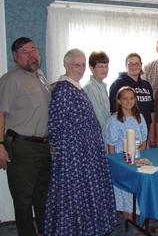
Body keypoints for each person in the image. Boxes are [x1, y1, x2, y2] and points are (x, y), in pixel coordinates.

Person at [45, 48, 117, 235]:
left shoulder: (74, 86)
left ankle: (89, 228)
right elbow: (55, 122)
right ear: (66, 65)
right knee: (75, 197)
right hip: (74, 154)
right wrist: (58, 146)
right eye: (77, 64)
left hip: (86, 152)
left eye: (83, 64)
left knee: (86, 195)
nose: (81, 68)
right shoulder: (64, 90)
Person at [0, 37, 52, 235]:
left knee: (42, 194)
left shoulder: (40, 76)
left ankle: (45, 230)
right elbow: (1, 114)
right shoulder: (10, 80)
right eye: (25, 52)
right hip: (22, 147)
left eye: (33, 49)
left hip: (43, 146)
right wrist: (0, 146)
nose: (31, 54)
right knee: (23, 199)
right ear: (15, 57)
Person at [106, 86, 147, 222]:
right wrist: (113, 163)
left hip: (137, 158)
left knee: (135, 187)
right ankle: (126, 214)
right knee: (124, 189)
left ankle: (135, 212)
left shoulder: (139, 117)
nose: (128, 101)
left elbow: (144, 139)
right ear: (119, 101)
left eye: (131, 98)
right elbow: (111, 143)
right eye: (125, 98)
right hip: (121, 160)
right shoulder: (114, 120)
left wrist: (143, 159)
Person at [109, 53, 155, 146]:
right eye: (130, 64)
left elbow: (152, 111)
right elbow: (114, 110)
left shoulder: (146, 85)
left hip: (143, 133)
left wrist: (152, 133)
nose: (134, 66)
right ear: (126, 66)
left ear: (141, 65)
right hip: (125, 135)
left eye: (137, 63)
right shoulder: (118, 84)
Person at [83, 51, 110, 148]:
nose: (104, 69)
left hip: (104, 135)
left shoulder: (103, 87)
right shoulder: (90, 88)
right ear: (91, 68)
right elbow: (99, 118)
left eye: (106, 66)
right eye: (100, 66)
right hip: (97, 138)